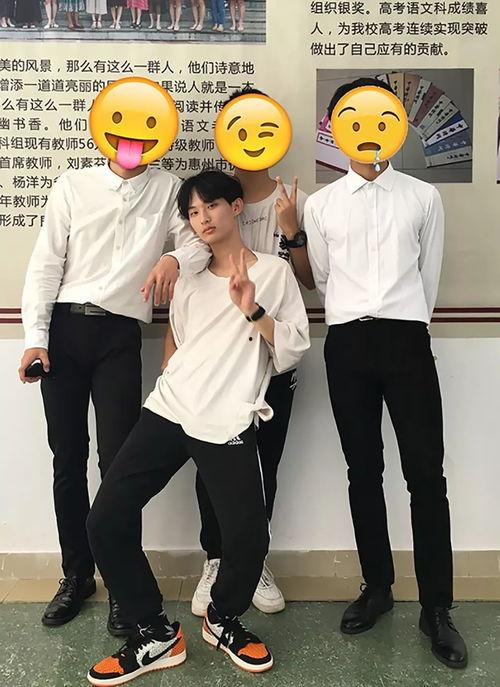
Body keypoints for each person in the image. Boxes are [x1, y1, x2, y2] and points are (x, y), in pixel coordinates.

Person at [85, 170, 310, 684]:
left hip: (228, 417)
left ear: (236, 207)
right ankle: (154, 632)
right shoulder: (188, 277)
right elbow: (183, 340)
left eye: (211, 206)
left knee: (248, 540)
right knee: (105, 520)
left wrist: (252, 309)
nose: (202, 218)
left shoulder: (274, 274)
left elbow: (293, 349)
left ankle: (223, 618)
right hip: (170, 409)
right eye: (192, 212)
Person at [304, 76, 468, 670]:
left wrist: (405, 323)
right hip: (347, 343)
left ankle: (437, 608)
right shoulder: (320, 205)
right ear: (336, 126)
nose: (369, 129)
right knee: (363, 470)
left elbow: (429, 276)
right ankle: (377, 587)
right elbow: (324, 279)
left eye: (381, 117)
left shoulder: (423, 197)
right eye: (354, 117)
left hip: (406, 339)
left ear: (396, 124)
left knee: (426, 476)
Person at [20, 154, 209, 634]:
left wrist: (172, 257)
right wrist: (35, 338)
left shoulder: (168, 188)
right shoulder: (73, 184)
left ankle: (124, 588)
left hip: (120, 335)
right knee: (67, 458)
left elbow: (199, 246)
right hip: (64, 331)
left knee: (118, 464)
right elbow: (46, 262)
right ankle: (76, 576)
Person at [190, 87, 314, 617]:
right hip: (221, 361)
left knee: (265, 464)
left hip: (272, 353)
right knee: (212, 460)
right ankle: (216, 558)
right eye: (239, 128)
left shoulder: (296, 200)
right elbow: (188, 255)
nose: (252, 139)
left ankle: (253, 559)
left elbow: (309, 282)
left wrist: (292, 232)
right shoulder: (211, 198)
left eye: (264, 128)